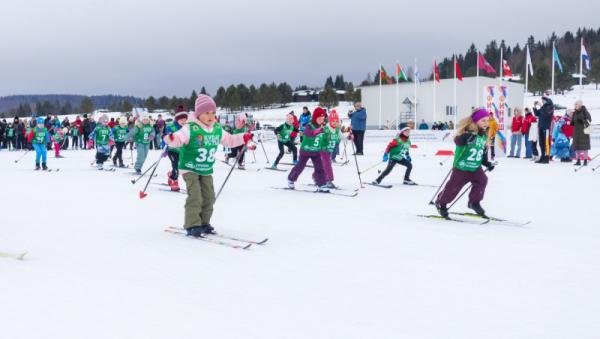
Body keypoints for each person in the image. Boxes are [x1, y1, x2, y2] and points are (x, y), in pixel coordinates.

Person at [163, 95, 253, 237]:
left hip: (206, 169)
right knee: (196, 196)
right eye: (207, 113)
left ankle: (204, 223)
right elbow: (179, 138)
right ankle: (192, 224)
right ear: (199, 114)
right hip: (190, 167)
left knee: (209, 196)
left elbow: (229, 140)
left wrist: (243, 137)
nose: (211, 116)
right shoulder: (190, 127)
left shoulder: (217, 128)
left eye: (213, 113)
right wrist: (172, 139)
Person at [435, 109, 495, 218]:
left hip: (475, 167)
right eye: (483, 121)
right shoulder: (468, 132)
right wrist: (466, 137)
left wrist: (487, 163)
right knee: (453, 187)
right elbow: (457, 141)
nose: (486, 123)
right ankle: (441, 203)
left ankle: (474, 202)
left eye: (487, 121)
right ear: (476, 121)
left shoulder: (484, 135)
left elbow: (482, 152)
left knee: (482, 181)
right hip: (461, 167)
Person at [287, 107, 328, 192]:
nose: (321, 120)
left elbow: (326, 137)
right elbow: (308, 133)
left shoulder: (323, 126)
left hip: (316, 151)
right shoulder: (310, 125)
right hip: (305, 150)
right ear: (315, 118)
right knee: (300, 166)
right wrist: (317, 131)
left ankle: (322, 184)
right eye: (319, 118)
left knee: (320, 168)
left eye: (322, 119)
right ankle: (291, 179)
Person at [165, 106, 188, 191]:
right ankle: (174, 181)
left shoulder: (187, 128)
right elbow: (166, 137)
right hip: (172, 150)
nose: (183, 122)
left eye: (185, 120)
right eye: (181, 120)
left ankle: (171, 175)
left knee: (181, 167)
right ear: (177, 119)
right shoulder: (171, 127)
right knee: (176, 167)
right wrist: (169, 138)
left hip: (182, 151)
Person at [317, 110, 342, 188]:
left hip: (329, 150)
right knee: (327, 164)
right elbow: (319, 136)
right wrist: (323, 137)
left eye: (336, 121)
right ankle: (328, 180)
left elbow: (341, 137)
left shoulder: (337, 129)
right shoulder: (326, 128)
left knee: (324, 164)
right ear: (330, 121)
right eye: (333, 121)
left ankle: (316, 178)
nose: (334, 123)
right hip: (323, 149)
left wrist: (349, 136)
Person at [533, 96, 554, 164]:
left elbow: (547, 113)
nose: (542, 102)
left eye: (543, 101)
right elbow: (537, 114)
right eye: (541, 101)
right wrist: (534, 107)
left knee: (546, 143)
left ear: (546, 100)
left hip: (546, 127)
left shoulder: (550, 106)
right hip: (541, 127)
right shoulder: (543, 107)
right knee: (541, 143)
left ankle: (547, 157)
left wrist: (541, 105)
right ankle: (542, 156)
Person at [571, 100, 592, 166]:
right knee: (577, 147)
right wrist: (572, 122)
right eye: (575, 104)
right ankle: (578, 161)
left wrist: (582, 119)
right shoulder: (574, 112)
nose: (575, 106)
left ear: (580, 105)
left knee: (584, 147)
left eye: (576, 104)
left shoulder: (585, 111)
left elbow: (589, 120)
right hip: (576, 131)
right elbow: (573, 121)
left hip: (584, 132)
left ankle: (585, 161)